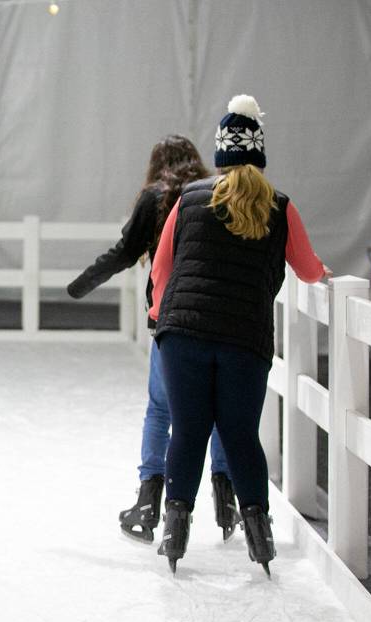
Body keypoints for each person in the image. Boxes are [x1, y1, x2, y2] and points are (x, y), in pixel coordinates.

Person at [149, 95, 329, 576]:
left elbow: (163, 267)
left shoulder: (188, 200)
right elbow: (308, 269)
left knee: (187, 430)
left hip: (183, 334)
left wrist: (160, 312)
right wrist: (324, 273)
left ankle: (175, 532)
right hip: (243, 339)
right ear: (259, 153)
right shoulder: (280, 206)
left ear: (221, 153)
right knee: (240, 434)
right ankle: (260, 537)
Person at [67, 136, 241, 545]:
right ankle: (227, 498)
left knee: (161, 411)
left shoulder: (155, 198)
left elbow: (125, 251)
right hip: (219, 317)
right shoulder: (213, 196)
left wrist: (81, 285)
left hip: (169, 318)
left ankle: (148, 503)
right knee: (218, 410)